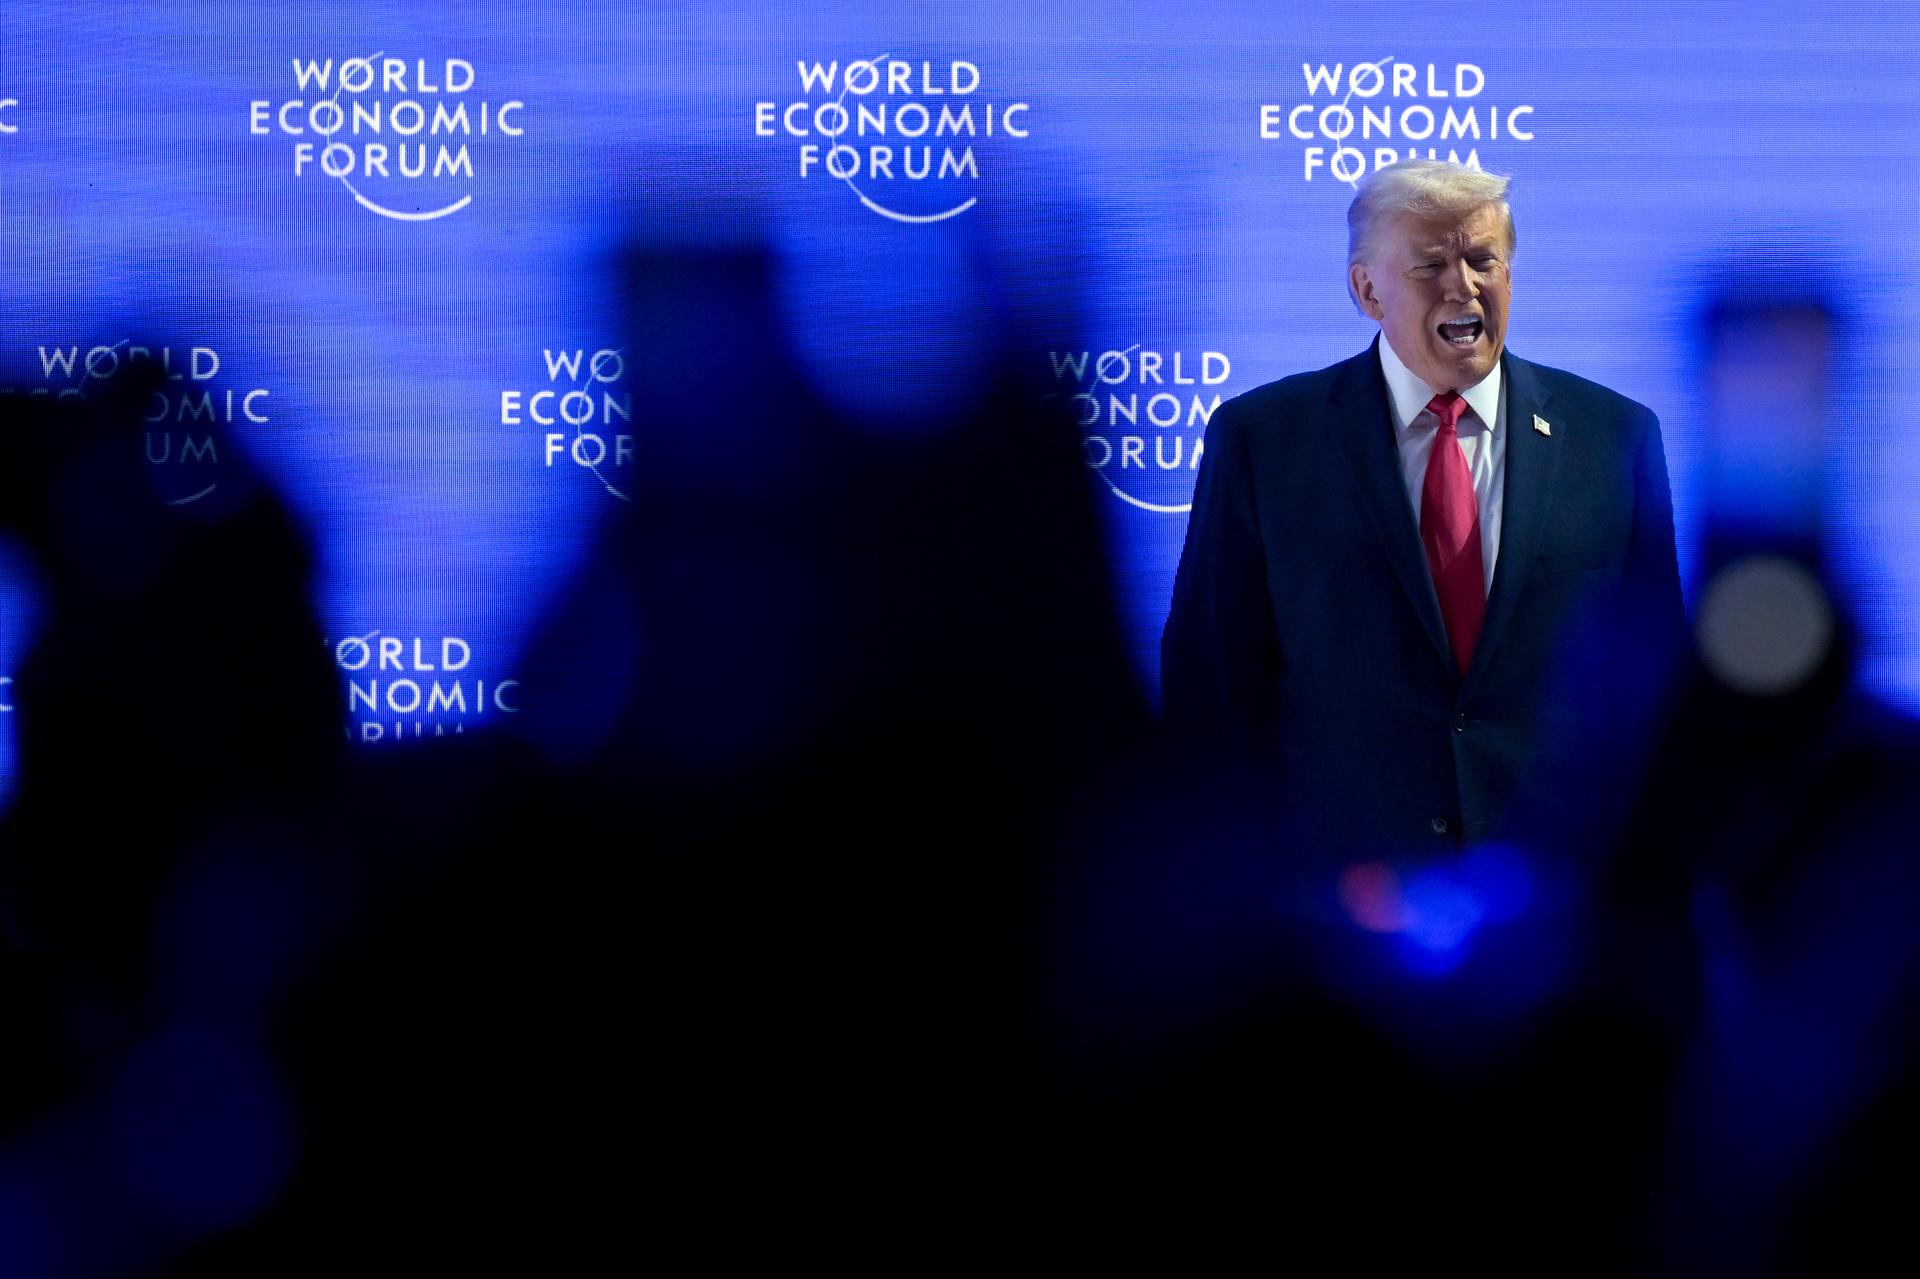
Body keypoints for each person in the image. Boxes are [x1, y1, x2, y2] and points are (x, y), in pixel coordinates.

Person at [1162, 159, 1684, 865]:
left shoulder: (1614, 436)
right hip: (1333, 909)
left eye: (1482, 260)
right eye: (1430, 265)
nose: (1462, 285)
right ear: (1367, 289)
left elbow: (1658, 684)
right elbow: (1212, 691)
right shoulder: (1263, 440)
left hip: (1557, 906)